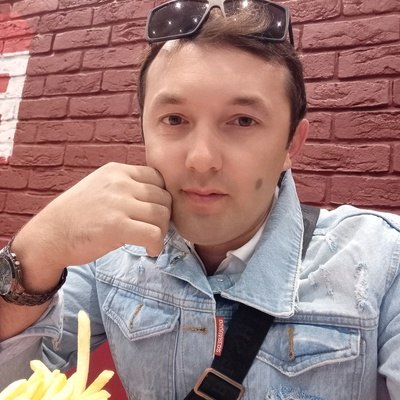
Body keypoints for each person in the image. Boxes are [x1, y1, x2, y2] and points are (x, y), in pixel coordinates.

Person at [1, 0, 400, 399]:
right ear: (144, 132)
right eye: (174, 119)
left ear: (291, 145)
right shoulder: (112, 254)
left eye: (243, 121)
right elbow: (15, 381)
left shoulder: (381, 264)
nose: (201, 159)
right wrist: (36, 251)